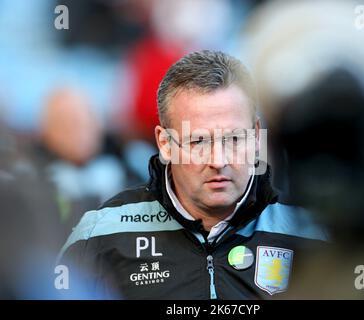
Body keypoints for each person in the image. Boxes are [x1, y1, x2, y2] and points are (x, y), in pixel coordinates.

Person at [57, 50, 327, 300]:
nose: (218, 161)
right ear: (165, 144)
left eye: (233, 139)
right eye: (198, 142)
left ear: (256, 135)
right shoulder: (101, 236)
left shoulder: (310, 234)